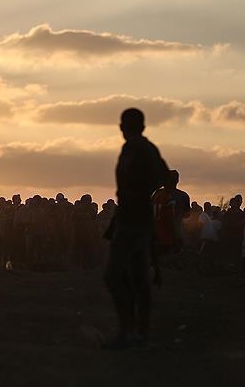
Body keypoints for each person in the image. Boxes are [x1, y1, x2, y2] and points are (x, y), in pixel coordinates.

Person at [103, 108, 169, 350]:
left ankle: (129, 332)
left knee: (115, 276)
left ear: (123, 127)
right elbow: (163, 175)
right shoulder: (138, 148)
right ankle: (137, 334)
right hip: (133, 217)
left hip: (134, 218)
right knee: (136, 277)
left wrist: (139, 194)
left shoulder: (140, 149)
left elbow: (162, 177)